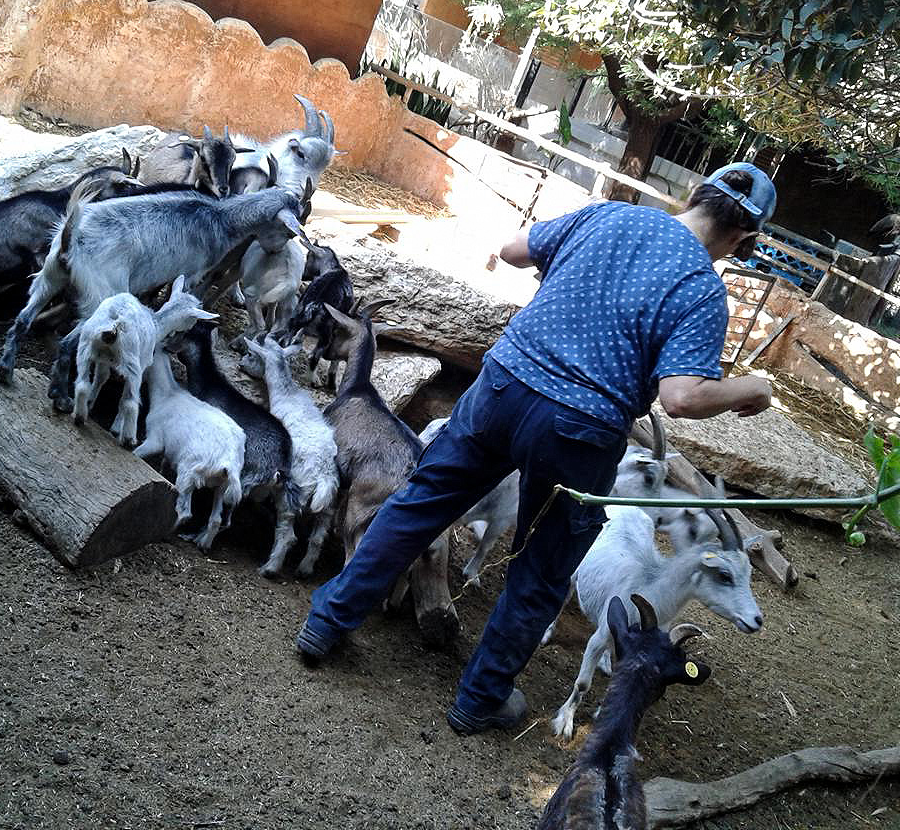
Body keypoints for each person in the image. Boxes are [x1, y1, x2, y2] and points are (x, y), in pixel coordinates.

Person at [295, 162, 777, 736]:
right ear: (744, 238)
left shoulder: (610, 216)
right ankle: (480, 698)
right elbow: (681, 396)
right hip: (581, 429)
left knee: (422, 503)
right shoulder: (701, 289)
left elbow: (513, 248)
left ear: (694, 194)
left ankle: (327, 621)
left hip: (503, 387)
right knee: (543, 570)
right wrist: (751, 389)